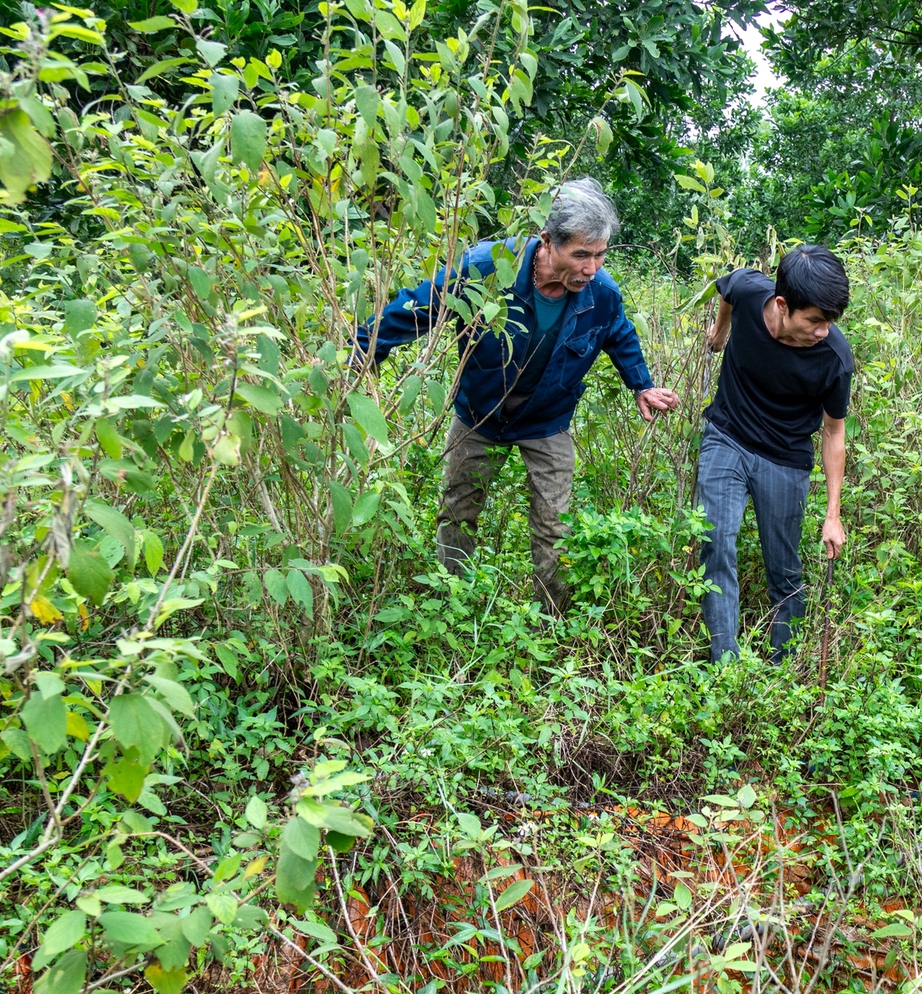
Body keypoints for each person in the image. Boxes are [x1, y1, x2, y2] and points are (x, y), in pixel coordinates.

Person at [356, 178, 680, 611]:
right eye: (581, 254)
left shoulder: (602, 293)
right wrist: (362, 351)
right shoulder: (487, 268)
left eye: (600, 254)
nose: (592, 268)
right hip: (479, 412)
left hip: (547, 418)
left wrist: (640, 383)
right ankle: (452, 604)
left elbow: (618, 332)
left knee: (554, 524)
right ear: (547, 241)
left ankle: (552, 618)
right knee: (459, 510)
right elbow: (419, 307)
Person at [698, 244, 853, 662]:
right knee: (714, 543)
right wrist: (720, 332)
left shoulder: (834, 358)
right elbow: (725, 289)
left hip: (785, 458)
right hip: (726, 435)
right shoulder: (751, 291)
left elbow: (834, 432)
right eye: (816, 320)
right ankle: (724, 666)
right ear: (783, 304)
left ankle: (783, 667)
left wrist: (833, 515)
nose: (824, 330)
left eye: (831, 321)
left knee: (784, 569)